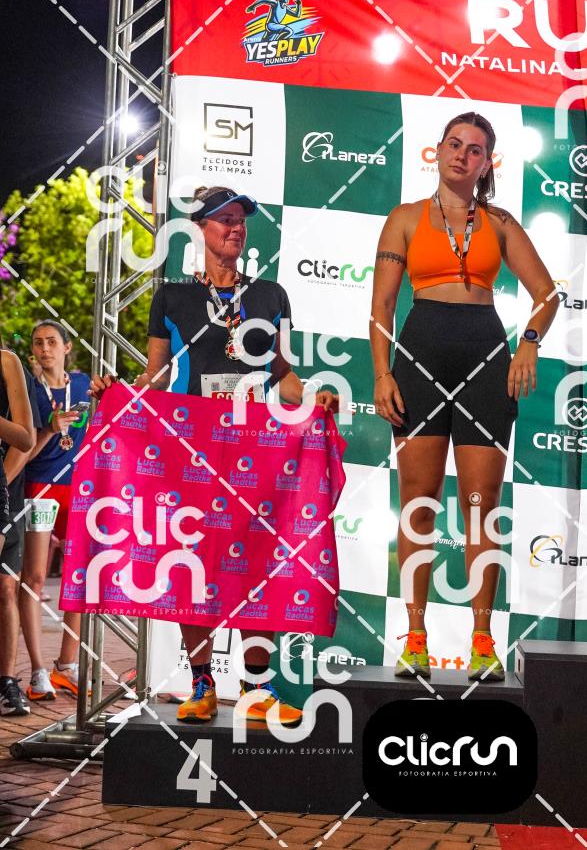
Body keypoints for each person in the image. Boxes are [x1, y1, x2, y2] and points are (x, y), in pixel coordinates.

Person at [92, 185, 339, 724]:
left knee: (260, 562)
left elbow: (282, 374)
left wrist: (312, 398)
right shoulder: (172, 297)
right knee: (193, 565)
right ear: (199, 229)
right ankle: (202, 685)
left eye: (240, 220)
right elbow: (157, 377)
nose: (235, 228)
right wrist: (119, 397)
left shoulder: (270, 296)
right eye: (224, 219)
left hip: (257, 447)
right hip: (191, 450)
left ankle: (257, 689)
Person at [370, 112, 558, 681]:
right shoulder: (404, 218)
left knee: (482, 505)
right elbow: (382, 308)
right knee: (418, 502)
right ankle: (415, 639)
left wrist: (528, 344)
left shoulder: (499, 223)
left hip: (485, 358)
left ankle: (482, 641)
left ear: (486, 164)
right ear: (438, 150)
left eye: (474, 150)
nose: (462, 155)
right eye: (454, 144)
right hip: (420, 354)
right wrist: (382, 374)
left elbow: (546, 294)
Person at [21, 321, 91, 701]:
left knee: (77, 578)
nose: (44, 349)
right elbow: (23, 452)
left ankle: (66, 665)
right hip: (40, 486)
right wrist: (49, 428)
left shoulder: (83, 385)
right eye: (38, 343)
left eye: (51, 342)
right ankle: (36, 671)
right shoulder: (28, 390)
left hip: (78, 488)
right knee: (33, 578)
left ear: (67, 347)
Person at [0, 345, 35, 714]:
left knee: (5, 588)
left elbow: (26, 439)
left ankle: (6, 681)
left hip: (5, 487)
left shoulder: (6, 361)